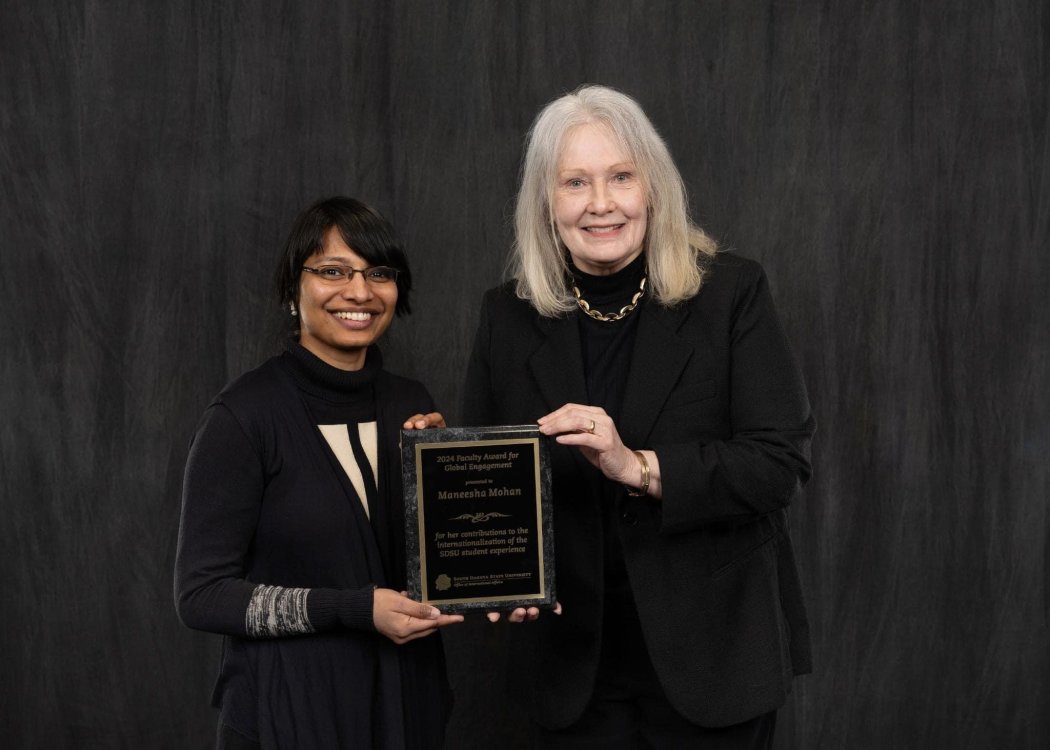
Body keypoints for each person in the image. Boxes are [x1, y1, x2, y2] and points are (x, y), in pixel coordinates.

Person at [463, 85, 816, 748]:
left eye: (621, 177)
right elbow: (488, 475)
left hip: (714, 665)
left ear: (652, 188)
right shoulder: (505, 317)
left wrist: (640, 466)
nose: (601, 203)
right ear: (546, 200)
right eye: (575, 182)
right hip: (567, 673)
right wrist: (488, 572)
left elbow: (779, 466)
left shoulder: (732, 294)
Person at [175, 196, 462, 750]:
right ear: (293, 288)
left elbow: (434, 568)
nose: (359, 292)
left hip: (407, 706)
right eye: (333, 271)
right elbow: (202, 595)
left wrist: (444, 478)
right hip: (289, 712)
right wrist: (354, 608)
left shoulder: (413, 405)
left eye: (378, 273)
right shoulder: (243, 416)